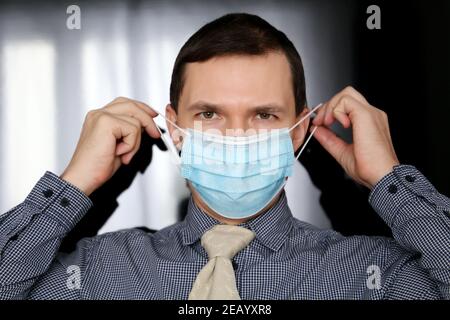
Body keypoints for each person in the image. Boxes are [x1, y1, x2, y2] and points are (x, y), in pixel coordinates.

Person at [0, 13, 448, 300]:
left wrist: (390, 178)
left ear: (301, 131)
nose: (236, 135)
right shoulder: (98, 272)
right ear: (175, 129)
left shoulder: (372, 275)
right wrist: (74, 182)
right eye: (210, 113)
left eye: (264, 114)